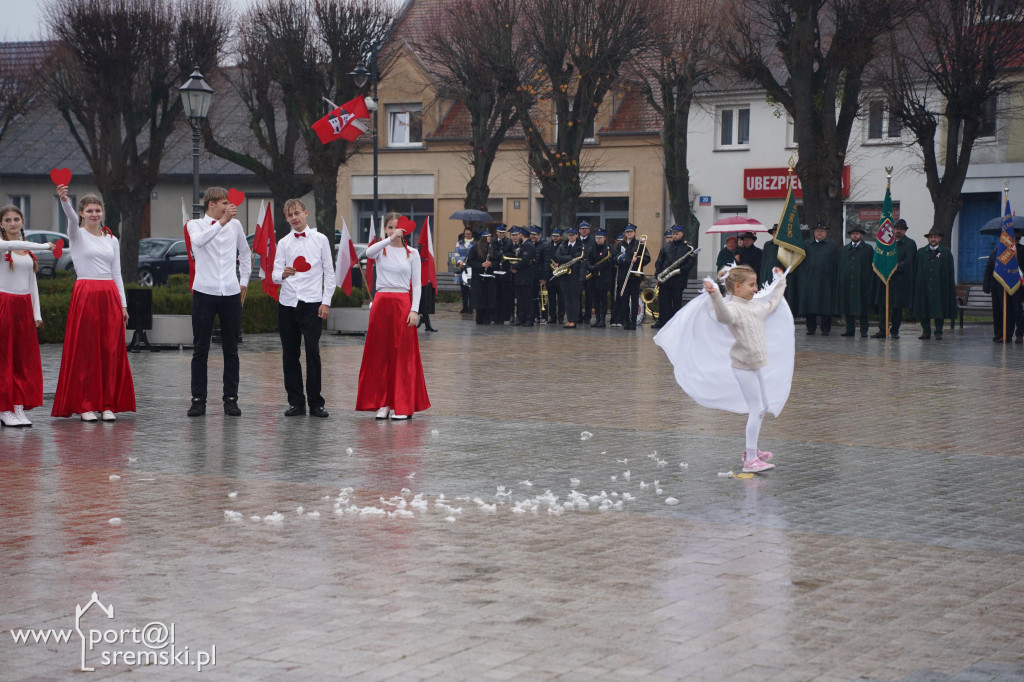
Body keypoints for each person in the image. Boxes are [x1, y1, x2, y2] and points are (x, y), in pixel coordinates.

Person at [653, 264, 794, 475]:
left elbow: (773, 302)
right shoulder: (734, 309)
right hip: (743, 366)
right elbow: (723, 316)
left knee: (762, 407)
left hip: (756, 365)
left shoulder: (755, 306)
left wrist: (781, 281)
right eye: (751, 285)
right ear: (737, 287)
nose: (756, 289)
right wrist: (715, 296)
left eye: (756, 284)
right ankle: (750, 459)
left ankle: (752, 450)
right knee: (756, 410)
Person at [52, 185, 135, 422]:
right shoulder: (76, 234)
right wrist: (64, 200)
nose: (94, 214)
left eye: (98, 210)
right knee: (87, 352)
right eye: (89, 210)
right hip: (86, 293)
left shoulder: (112, 239)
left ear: (103, 212)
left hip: (109, 294)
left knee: (110, 350)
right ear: (81, 213)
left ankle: (107, 404)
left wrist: (123, 304)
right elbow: (68, 216)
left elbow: (117, 273)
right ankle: (85, 404)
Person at [355, 213, 430, 420]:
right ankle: (383, 403)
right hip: (381, 303)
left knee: (403, 355)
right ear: (385, 230)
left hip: (402, 303)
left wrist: (414, 310)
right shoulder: (381, 249)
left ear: (405, 230)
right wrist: (389, 239)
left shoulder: (412, 253)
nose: (394, 230)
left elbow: (417, 284)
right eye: (389, 227)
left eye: (397, 227)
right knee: (380, 355)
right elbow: (367, 254)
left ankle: (403, 405)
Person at [185, 187, 251, 417]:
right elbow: (199, 242)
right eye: (224, 203)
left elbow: (245, 252)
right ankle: (198, 400)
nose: (228, 207)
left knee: (231, 349)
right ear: (211, 204)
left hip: (230, 293)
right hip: (204, 292)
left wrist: (244, 281)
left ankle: (231, 399)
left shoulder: (236, 226)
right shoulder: (195, 225)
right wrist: (222, 221)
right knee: (200, 348)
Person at [271, 199, 334, 418]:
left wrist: (325, 302)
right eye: (290, 215)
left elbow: (330, 273)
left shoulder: (321, 239)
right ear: (286, 218)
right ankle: (296, 402)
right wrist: (283, 274)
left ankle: (316, 403)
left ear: (306, 213)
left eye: (297, 213)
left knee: (313, 353)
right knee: (290, 355)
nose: (294, 218)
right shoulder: (284, 243)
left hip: (312, 303)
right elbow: (274, 275)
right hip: (287, 303)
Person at [0, 205, 60, 426]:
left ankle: (18, 406)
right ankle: (4, 408)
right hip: (4, 304)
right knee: (5, 358)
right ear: (1, 224)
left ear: (23, 221)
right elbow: (14, 244)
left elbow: (31, 283)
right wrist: (46, 245)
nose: (13, 223)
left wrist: (37, 312)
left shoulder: (27, 254)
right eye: (8, 220)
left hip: (24, 306)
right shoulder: (3, 247)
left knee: (23, 359)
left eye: (16, 219)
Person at [872, 218, 916, 339]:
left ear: (905, 231)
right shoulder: (886, 242)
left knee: (897, 307)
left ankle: (894, 330)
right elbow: (880, 256)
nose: (898, 231)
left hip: (899, 280)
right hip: (885, 279)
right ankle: (882, 330)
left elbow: (909, 260)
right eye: (896, 229)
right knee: (883, 306)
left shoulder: (909, 243)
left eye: (901, 229)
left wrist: (895, 267)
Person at [912, 229, 956, 340]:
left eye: (935, 237)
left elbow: (950, 272)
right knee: (923, 308)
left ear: (940, 239)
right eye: (931, 237)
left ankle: (938, 331)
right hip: (924, 285)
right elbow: (916, 269)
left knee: (939, 309)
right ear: (928, 239)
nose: (933, 239)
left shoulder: (946, 253)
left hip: (939, 286)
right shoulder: (921, 252)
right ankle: (926, 331)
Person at [798, 222, 840, 335]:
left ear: (826, 232)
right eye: (817, 231)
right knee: (810, 304)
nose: (819, 233)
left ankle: (825, 329)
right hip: (810, 280)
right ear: (814, 232)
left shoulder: (833, 245)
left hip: (827, 280)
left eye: (822, 231)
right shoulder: (806, 244)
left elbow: (837, 262)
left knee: (826, 305)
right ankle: (811, 328)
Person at [835, 226, 875, 337]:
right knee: (848, 307)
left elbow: (870, 266)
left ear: (861, 235)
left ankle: (864, 330)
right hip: (847, 283)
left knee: (863, 308)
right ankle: (850, 330)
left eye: (857, 233)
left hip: (862, 283)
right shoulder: (844, 249)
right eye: (853, 234)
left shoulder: (867, 249)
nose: (855, 235)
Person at [982, 238, 1024, 343]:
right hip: (1002, 286)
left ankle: (1019, 334)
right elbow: (990, 266)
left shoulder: (1022, 250)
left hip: (1018, 286)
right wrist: (986, 285)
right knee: (1005, 312)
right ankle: (1005, 335)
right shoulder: (1000, 250)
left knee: (1017, 310)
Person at [652, 225, 694, 329]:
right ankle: (662, 321)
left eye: (676, 234)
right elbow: (660, 262)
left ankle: (676, 323)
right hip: (665, 280)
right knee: (663, 302)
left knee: (676, 302)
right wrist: (658, 275)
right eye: (673, 234)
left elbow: (691, 262)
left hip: (678, 280)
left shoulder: (687, 247)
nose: (674, 236)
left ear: (682, 234)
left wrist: (682, 270)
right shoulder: (666, 247)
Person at [614, 224, 651, 330]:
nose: (629, 234)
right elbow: (613, 257)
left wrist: (638, 260)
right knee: (623, 300)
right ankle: (626, 321)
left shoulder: (640, 244)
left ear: (634, 233)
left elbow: (647, 258)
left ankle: (633, 322)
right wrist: (621, 259)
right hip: (623, 275)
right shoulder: (620, 244)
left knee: (634, 300)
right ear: (625, 233)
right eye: (627, 232)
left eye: (631, 232)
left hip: (635, 276)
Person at [554, 225, 585, 328]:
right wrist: (570, 258)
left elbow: (583, 262)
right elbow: (557, 256)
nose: (570, 237)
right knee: (566, 299)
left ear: (577, 235)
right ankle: (569, 319)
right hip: (564, 276)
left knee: (574, 299)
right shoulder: (563, 245)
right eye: (569, 235)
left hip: (575, 276)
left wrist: (581, 278)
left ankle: (574, 320)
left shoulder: (581, 246)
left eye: (572, 235)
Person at [509, 227, 537, 326]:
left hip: (526, 277)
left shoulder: (528, 246)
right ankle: (521, 318)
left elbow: (525, 260)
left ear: (521, 234)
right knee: (521, 299)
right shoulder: (523, 245)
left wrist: (514, 266)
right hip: (520, 277)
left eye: (519, 234)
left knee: (527, 299)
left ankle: (529, 319)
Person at [467, 228, 497, 324]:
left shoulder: (492, 248)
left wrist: (491, 264)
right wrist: (481, 265)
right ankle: (480, 318)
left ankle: (488, 318)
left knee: (489, 298)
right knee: (480, 299)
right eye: (488, 236)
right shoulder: (475, 248)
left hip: (489, 277)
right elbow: (470, 261)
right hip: (478, 278)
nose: (490, 238)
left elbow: (497, 260)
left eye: (490, 236)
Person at [586, 229, 614, 328]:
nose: (598, 240)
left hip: (604, 277)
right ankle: (597, 319)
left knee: (603, 299)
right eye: (597, 238)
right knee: (596, 300)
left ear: (604, 238)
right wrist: (590, 267)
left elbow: (610, 262)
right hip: (594, 277)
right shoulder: (592, 247)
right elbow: (588, 259)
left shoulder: (608, 248)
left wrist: (599, 267)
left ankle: (603, 319)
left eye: (600, 238)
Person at [492, 224, 514, 324]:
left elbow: (512, 254)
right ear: (497, 233)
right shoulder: (493, 242)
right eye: (500, 233)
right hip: (496, 270)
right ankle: (496, 317)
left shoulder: (509, 241)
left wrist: (503, 255)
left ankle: (505, 316)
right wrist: (498, 255)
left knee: (505, 295)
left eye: (503, 233)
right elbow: (492, 253)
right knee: (496, 295)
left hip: (505, 271)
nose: (501, 234)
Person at [577, 220, 595, 323]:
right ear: (579, 230)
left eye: (586, 229)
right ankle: (578, 316)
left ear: (589, 230)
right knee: (577, 295)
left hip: (589, 272)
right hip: (578, 271)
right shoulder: (576, 240)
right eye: (582, 229)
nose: (584, 230)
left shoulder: (592, 241)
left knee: (589, 296)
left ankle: (587, 317)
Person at [453, 227, 474, 314]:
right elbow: (456, 253)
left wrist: (465, 261)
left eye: (469, 234)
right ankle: (464, 306)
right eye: (466, 234)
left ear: (471, 234)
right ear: (464, 234)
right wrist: (460, 261)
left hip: (470, 268)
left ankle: (471, 307)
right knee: (463, 289)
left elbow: (474, 255)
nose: (468, 235)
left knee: (470, 290)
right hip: (461, 268)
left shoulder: (475, 243)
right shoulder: (459, 243)